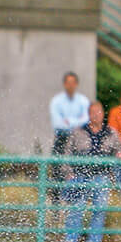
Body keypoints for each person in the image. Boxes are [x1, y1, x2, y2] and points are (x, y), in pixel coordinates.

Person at [60, 101, 121, 242]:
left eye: (99, 112)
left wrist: (120, 155)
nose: (96, 115)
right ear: (88, 115)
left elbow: (120, 150)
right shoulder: (78, 131)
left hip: (101, 176)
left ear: (103, 114)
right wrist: (68, 172)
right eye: (93, 112)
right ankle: (70, 240)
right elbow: (67, 154)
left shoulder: (111, 132)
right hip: (80, 175)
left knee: (99, 208)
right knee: (77, 208)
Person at [49, 72, 90, 203]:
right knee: (57, 171)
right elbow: (57, 122)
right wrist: (75, 122)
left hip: (78, 141)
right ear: (64, 84)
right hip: (61, 138)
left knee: (77, 171)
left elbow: (86, 119)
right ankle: (56, 205)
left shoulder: (83, 100)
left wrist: (69, 121)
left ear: (76, 84)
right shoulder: (56, 101)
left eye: (73, 82)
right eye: (68, 82)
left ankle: (74, 202)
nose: (71, 85)